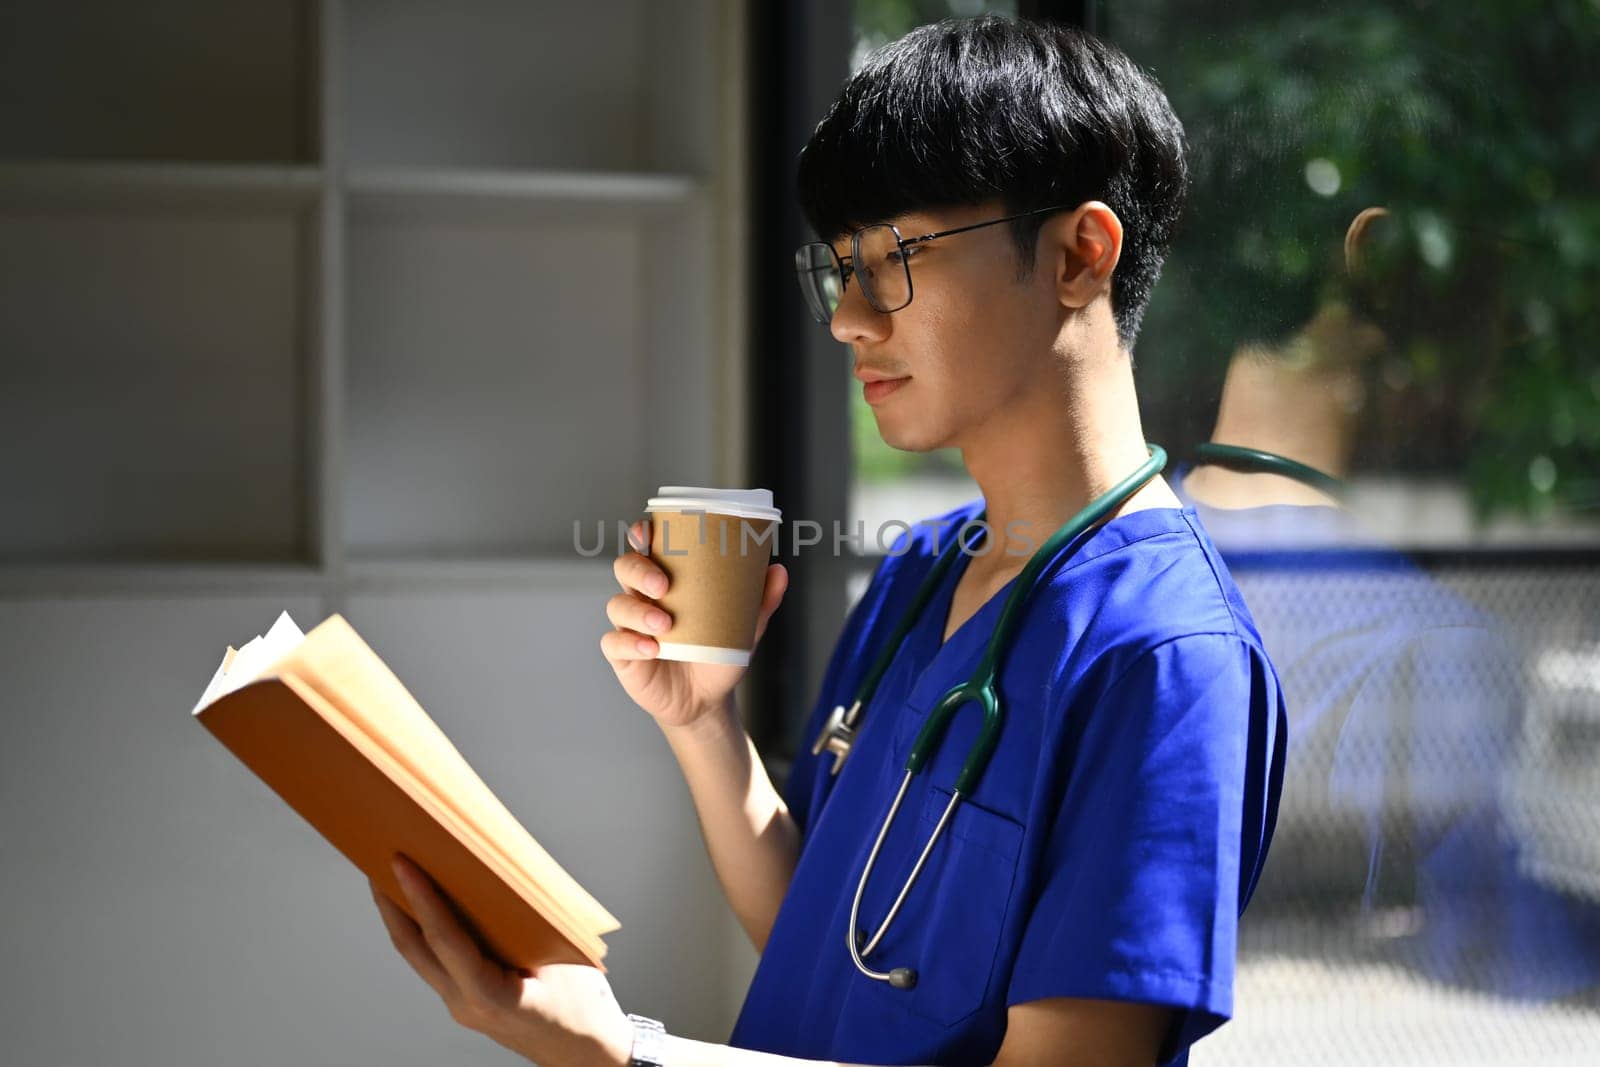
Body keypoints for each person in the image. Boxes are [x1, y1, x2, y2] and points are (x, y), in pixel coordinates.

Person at [368, 15, 1288, 1067]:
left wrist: (617, 1055)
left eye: (893, 259)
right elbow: (825, 937)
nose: (848, 317)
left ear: (1080, 253)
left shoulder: (1165, 661)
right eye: (838, 268)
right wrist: (702, 721)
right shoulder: (922, 568)